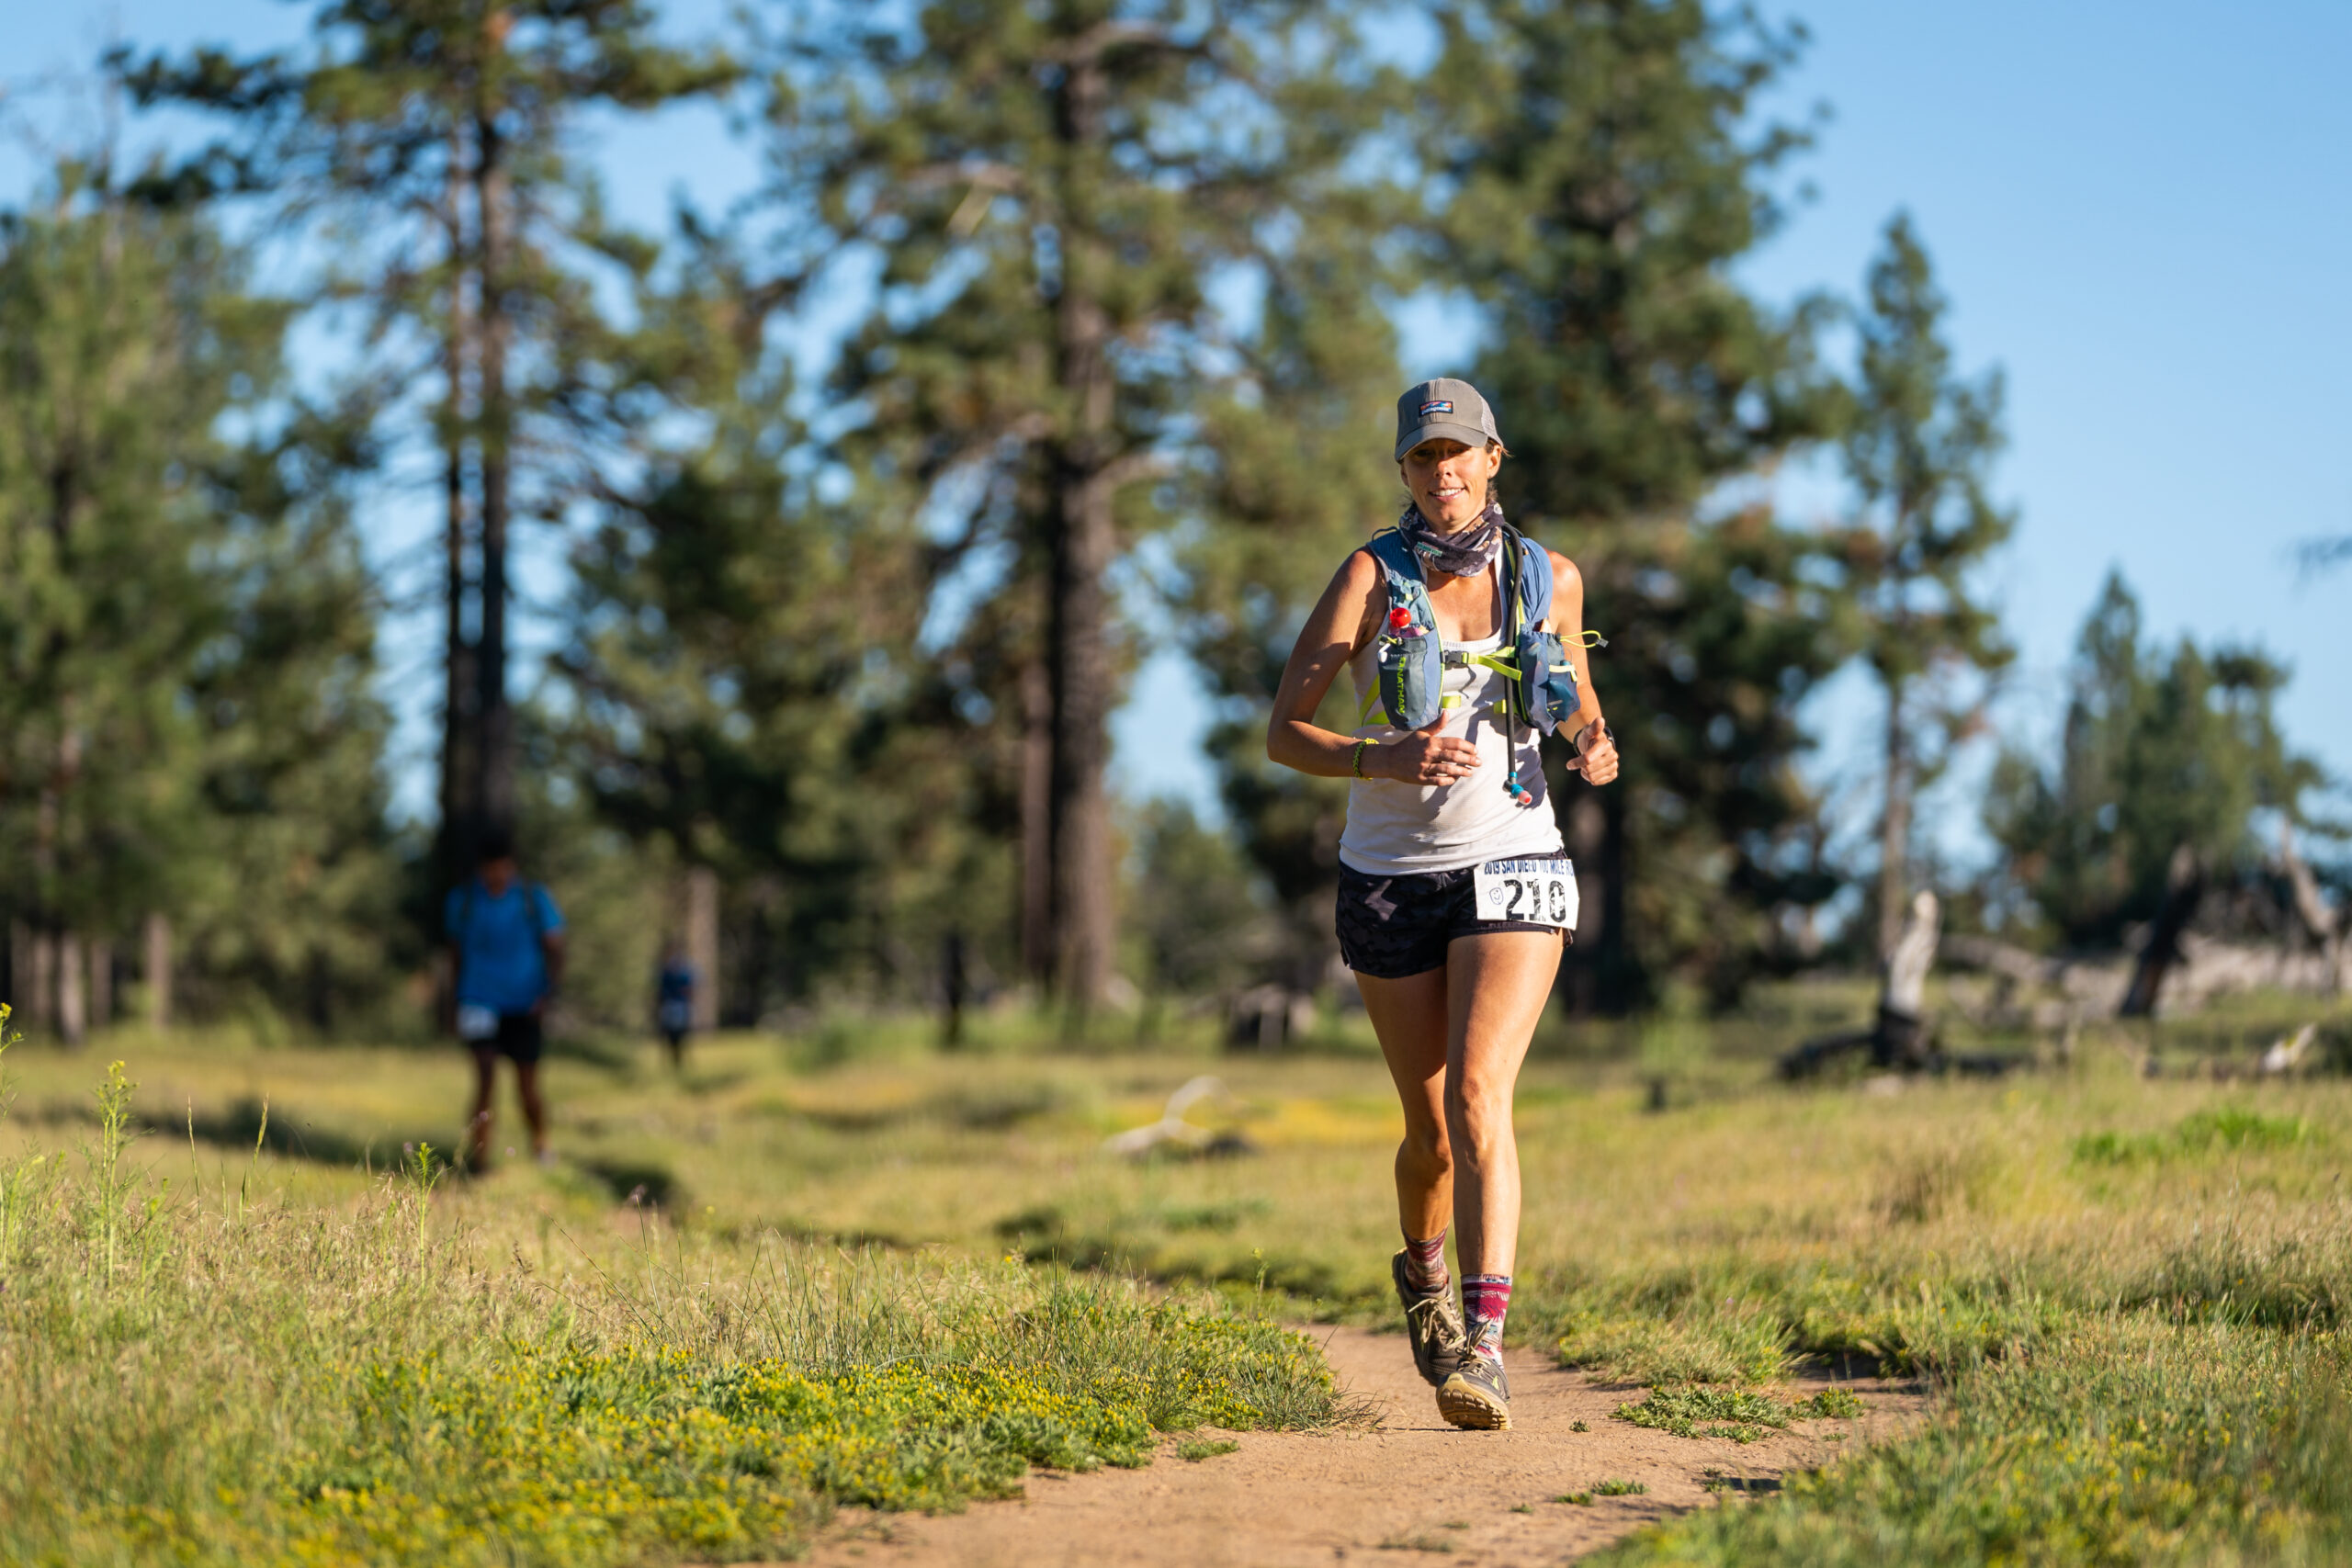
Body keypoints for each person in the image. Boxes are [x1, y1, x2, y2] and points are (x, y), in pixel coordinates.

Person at [1264, 378, 1620, 1431]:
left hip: (1515, 856)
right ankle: (1423, 1277)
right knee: (1426, 1128)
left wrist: (1592, 744)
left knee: (1477, 1098)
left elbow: (1580, 706)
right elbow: (1285, 733)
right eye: (1423, 459)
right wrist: (1384, 752)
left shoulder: (1548, 578)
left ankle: (1487, 1348)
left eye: (1458, 454)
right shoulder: (1372, 577)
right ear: (1404, 472)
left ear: (1493, 458)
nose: (1443, 473)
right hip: (1388, 874)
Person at [444, 829, 566, 1168]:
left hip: (524, 1002)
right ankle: (479, 1160)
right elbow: (455, 955)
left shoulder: (533, 898)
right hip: (478, 1000)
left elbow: (555, 946)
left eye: (503, 868)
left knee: (527, 1088)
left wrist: (548, 993)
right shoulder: (463, 901)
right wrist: (454, 1001)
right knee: (484, 1079)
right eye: (490, 869)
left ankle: (540, 1143)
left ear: (512, 866)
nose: (496, 875)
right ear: (481, 868)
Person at [654, 940, 696, 1071]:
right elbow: (660, 991)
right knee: (670, 1035)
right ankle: (672, 1062)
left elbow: (689, 990)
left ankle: (680, 1062)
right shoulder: (666, 971)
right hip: (670, 1006)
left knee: (681, 1036)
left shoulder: (684, 971)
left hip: (679, 1006)